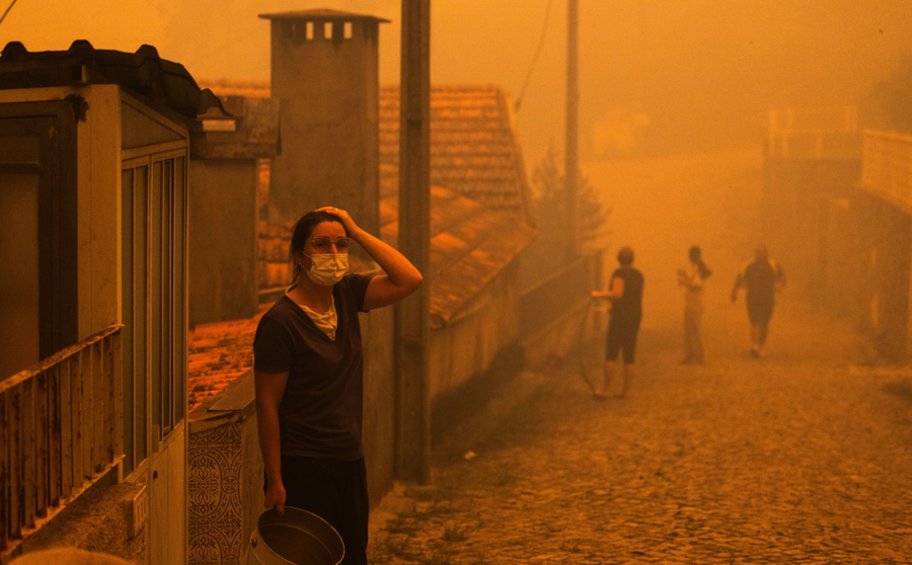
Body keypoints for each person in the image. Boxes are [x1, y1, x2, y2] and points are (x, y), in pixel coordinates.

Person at [253, 206, 422, 564]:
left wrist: (358, 232)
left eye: (340, 245)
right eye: (321, 245)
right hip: (305, 465)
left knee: (352, 555)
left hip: (349, 458)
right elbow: (267, 405)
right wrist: (275, 479)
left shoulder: (347, 294)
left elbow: (410, 279)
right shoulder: (280, 323)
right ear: (300, 256)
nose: (333, 253)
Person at [591, 246, 644, 399]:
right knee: (629, 355)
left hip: (620, 319)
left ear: (618, 259)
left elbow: (618, 294)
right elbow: (631, 297)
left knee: (611, 354)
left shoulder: (619, 273)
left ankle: (604, 389)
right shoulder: (639, 275)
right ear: (632, 259)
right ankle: (625, 391)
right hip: (634, 317)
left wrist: (598, 295)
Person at [730, 244, 785, 357]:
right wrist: (734, 292)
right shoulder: (748, 265)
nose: (760, 254)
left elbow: (783, 277)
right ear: (755, 253)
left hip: (768, 298)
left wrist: (779, 285)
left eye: (763, 252)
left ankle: (760, 346)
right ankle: (754, 346)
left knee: (764, 323)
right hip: (752, 297)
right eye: (758, 252)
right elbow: (739, 278)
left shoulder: (773, 265)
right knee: (754, 321)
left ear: (766, 253)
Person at [677, 245, 712, 364]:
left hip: (696, 301)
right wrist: (684, 278)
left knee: (696, 329)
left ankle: (700, 356)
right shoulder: (693, 268)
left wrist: (683, 281)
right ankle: (690, 354)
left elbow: (696, 286)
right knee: (688, 328)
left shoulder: (700, 269)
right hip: (690, 300)